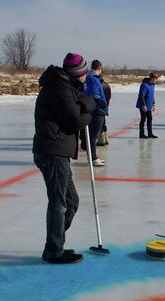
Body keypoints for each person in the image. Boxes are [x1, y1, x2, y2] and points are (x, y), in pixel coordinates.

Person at [32, 52, 95, 264]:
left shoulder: (64, 85)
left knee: (71, 201)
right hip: (52, 153)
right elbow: (74, 121)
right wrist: (91, 110)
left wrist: (84, 101)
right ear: (78, 73)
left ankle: (54, 245)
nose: (86, 76)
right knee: (59, 203)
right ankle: (54, 250)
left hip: (57, 151)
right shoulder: (58, 88)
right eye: (84, 72)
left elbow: (75, 105)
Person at [84, 59, 108, 166]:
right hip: (97, 110)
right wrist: (101, 102)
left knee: (94, 135)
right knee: (94, 136)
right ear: (99, 68)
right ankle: (93, 157)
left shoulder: (93, 78)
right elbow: (94, 94)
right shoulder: (92, 79)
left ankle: (93, 156)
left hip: (99, 110)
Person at [136, 72, 158, 138]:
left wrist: (154, 104)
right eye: (155, 79)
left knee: (150, 119)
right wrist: (143, 105)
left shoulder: (153, 85)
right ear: (151, 78)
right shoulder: (144, 85)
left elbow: (152, 95)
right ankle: (141, 134)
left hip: (149, 105)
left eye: (156, 79)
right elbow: (141, 95)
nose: (155, 80)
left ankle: (150, 133)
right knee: (143, 119)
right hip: (143, 105)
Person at [97, 74, 112, 146]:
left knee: (100, 124)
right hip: (105, 106)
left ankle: (102, 140)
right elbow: (109, 97)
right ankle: (105, 139)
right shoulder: (107, 85)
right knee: (103, 122)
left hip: (99, 107)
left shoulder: (98, 85)